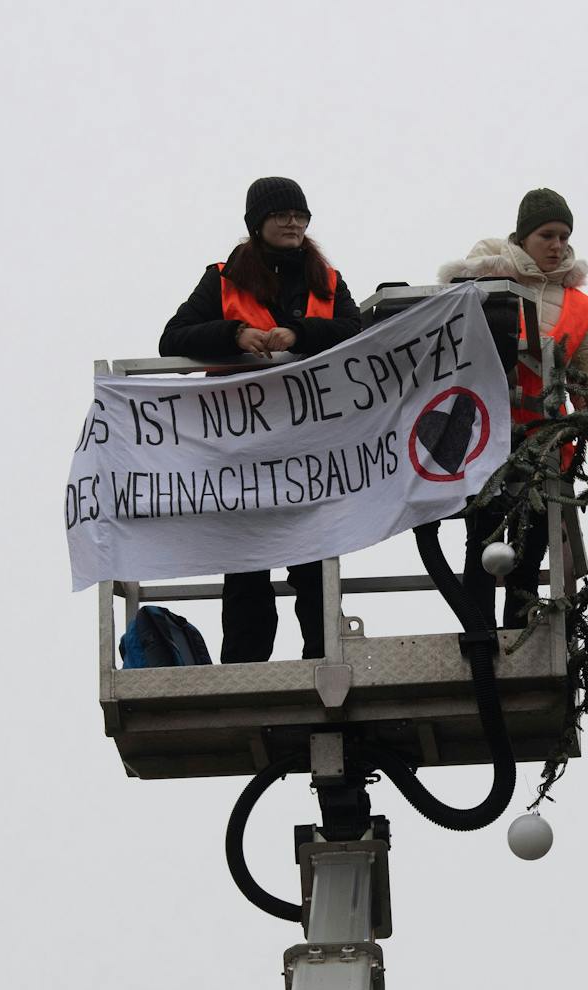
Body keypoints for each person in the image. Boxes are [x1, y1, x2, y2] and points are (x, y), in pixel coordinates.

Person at [160, 177, 364, 662]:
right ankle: (244, 669)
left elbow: (357, 334)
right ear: (258, 223)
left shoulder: (328, 280)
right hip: (242, 452)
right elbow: (174, 338)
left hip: (308, 448)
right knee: (246, 569)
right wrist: (235, 334)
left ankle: (324, 662)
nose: (293, 223)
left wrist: (299, 333)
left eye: (300, 216)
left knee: (314, 567)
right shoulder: (223, 278)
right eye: (282, 215)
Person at [438, 188, 588, 629]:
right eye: (547, 236)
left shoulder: (580, 305)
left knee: (531, 549)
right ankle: (477, 641)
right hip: (487, 438)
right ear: (522, 237)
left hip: (549, 446)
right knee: (483, 541)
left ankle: (519, 639)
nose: (557, 246)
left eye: (564, 236)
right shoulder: (482, 284)